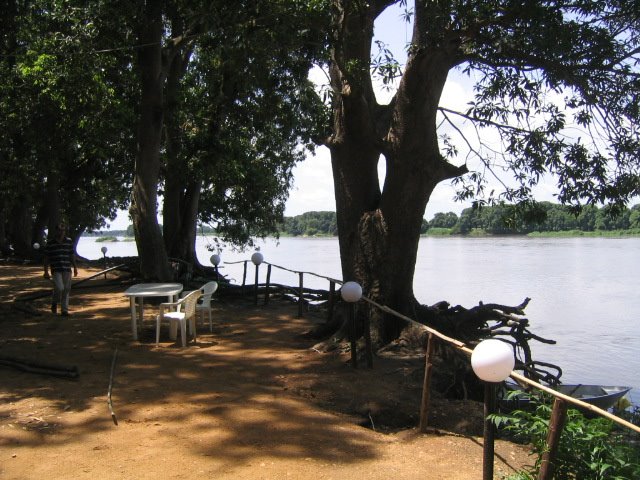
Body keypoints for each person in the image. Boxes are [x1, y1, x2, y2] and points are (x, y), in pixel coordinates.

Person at [43, 223, 78, 316]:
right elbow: (46, 258)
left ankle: (64, 310)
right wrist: (45, 271)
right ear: (56, 231)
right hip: (56, 269)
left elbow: (71, 255)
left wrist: (75, 267)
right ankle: (54, 302)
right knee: (59, 288)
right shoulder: (50, 243)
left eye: (63, 230)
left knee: (66, 289)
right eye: (60, 230)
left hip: (67, 268)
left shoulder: (68, 241)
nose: (62, 232)